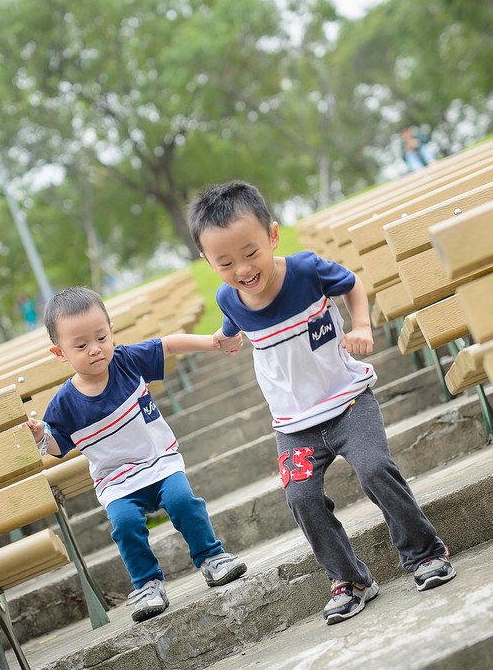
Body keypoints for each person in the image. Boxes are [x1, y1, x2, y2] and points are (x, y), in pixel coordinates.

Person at [187, 180, 455, 626]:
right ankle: (349, 580)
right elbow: (231, 325)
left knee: (374, 469)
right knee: (302, 496)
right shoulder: (227, 296)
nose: (243, 269)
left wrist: (362, 325)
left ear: (273, 236)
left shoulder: (308, 271)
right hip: (294, 425)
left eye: (251, 253)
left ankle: (424, 553)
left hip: (348, 402)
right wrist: (224, 339)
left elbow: (353, 285)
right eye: (226, 262)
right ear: (208, 262)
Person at [22, 287, 247, 623]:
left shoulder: (126, 361)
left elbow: (167, 345)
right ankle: (147, 584)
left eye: (101, 337)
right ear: (59, 352)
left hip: (159, 463)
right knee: (125, 524)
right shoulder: (64, 403)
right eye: (81, 346)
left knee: (183, 501)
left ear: (111, 330)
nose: (95, 349)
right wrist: (42, 435)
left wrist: (212, 341)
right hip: (116, 481)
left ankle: (211, 558)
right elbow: (57, 447)